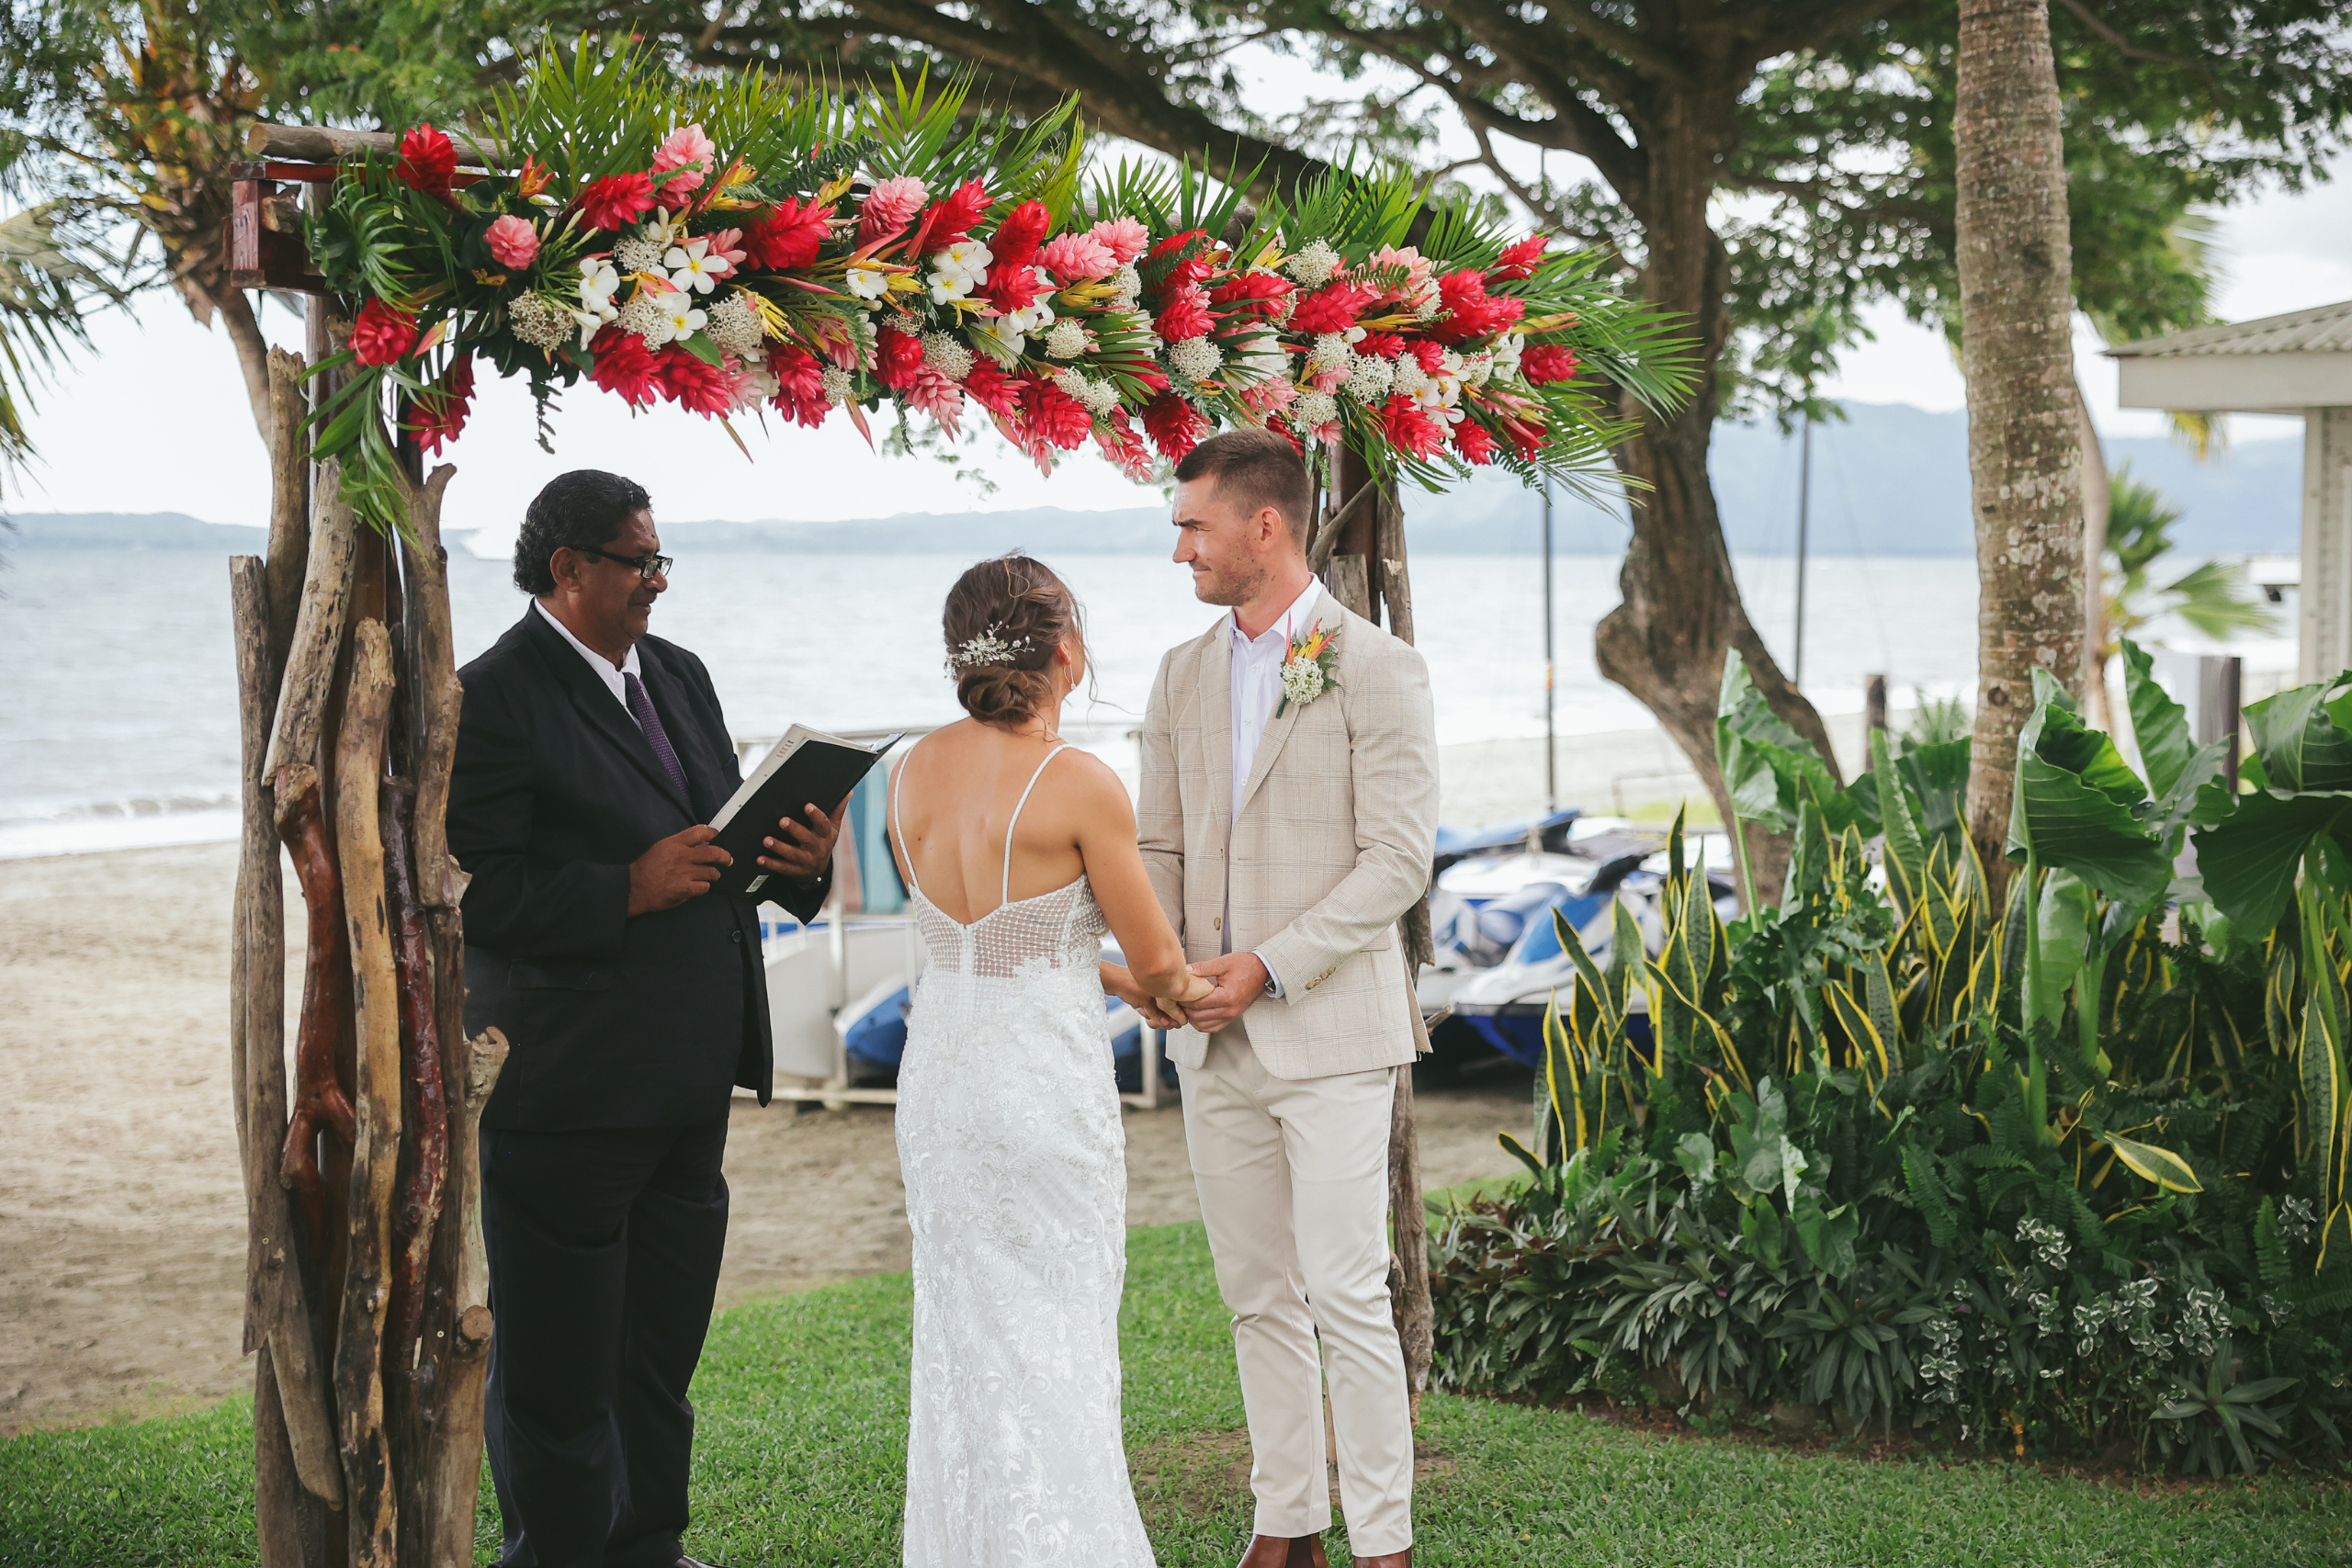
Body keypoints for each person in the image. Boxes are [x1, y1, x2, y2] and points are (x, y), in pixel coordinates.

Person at [449, 468, 843, 1568]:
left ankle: (652, 1549)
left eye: (661, 560)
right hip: (569, 1081)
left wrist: (798, 867)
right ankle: (561, 1555)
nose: (656, 582)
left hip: (689, 1069)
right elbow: (464, 886)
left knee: (659, 1351)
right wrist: (622, 886)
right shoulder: (493, 694)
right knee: (562, 1363)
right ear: (567, 569)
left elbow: (716, 843)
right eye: (638, 561)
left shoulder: (678, 674)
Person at [1136, 430, 1438, 1568]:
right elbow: (1155, 840)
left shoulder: (1375, 665)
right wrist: (1167, 967)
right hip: (1210, 1041)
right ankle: (1286, 1524)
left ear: (1264, 525)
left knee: (1346, 1290)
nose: (1180, 552)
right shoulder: (1179, 672)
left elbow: (1397, 861)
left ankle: (1384, 1544)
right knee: (1255, 1294)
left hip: (1330, 1027)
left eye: (1192, 526)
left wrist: (1265, 966)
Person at [885, 553, 1213, 1567]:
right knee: (1057, 1335)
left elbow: (992, 943)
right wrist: (1169, 988)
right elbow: (1159, 958)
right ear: (1065, 651)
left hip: (941, 1082)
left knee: (966, 1336)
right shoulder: (1076, 782)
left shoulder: (911, 768)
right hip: (1038, 1088)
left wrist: (1108, 977)